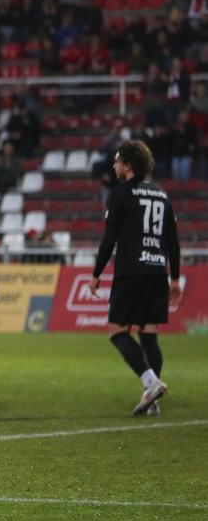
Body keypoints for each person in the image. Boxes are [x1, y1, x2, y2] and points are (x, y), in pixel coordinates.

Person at [89, 140, 182, 416]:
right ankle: (152, 400)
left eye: (118, 161)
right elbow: (173, 241)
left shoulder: (119, 194)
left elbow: (109, 239)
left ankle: (150, 384)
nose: (114, 165)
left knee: (117, 331)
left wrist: (96, 273)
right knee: (149, 336)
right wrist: (174, 277)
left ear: (128, 166)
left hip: (130, 271)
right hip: (156, 271)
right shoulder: (162, 194)